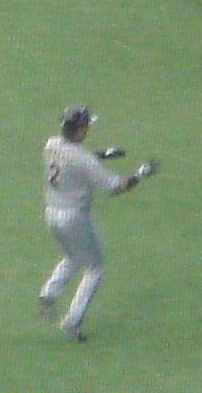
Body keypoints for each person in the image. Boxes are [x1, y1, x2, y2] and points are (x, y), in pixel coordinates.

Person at [38, 106, 157, 341]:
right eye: (86, 126)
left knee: (73, 257)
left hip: (51, 213)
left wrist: (104, 154)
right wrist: (140, 174)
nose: (88, 129)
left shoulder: (51, 144)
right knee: (95, 267)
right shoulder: (86, 162)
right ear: (79, 130)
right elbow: (117, 187)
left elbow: (72, 158)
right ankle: (72, 322)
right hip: (74, 218)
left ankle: (49, 293)